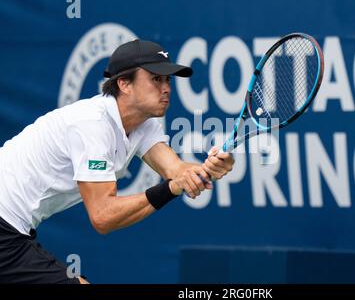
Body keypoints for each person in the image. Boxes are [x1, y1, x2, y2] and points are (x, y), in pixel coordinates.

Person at [0, 39, 234, 284]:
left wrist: (210, 169)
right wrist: (172, 188)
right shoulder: (92, 125)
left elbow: (175, 170)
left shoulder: (144, 124)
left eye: (168, 80)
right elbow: (103, 216)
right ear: (124, 84)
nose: (166, 88)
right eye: (156, 79)